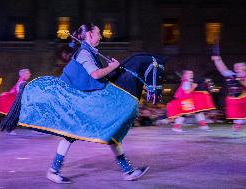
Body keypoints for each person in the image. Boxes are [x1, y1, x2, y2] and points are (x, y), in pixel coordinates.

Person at [18, 23, 149, 184]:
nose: (100, 36)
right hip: (75, 100)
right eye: (98, 33)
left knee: (101, 132)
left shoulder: (90, 52)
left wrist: (113, 69)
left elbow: (99, 77)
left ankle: (127, 171)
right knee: (76, 134)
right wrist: (112, 67)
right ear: (88, 35)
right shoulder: (84, 53)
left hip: (82, 99)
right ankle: (126, 171)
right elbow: (95, 75)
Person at [211, 55, 246, 131]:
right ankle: (236, 130)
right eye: (235, 66)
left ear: (245, 67)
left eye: (239, 66)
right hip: (236, 101)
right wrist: (217, 60)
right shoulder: (232, 75)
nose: (236, 67)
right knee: (238, 118)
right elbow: (223, 70)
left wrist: (241, 81)